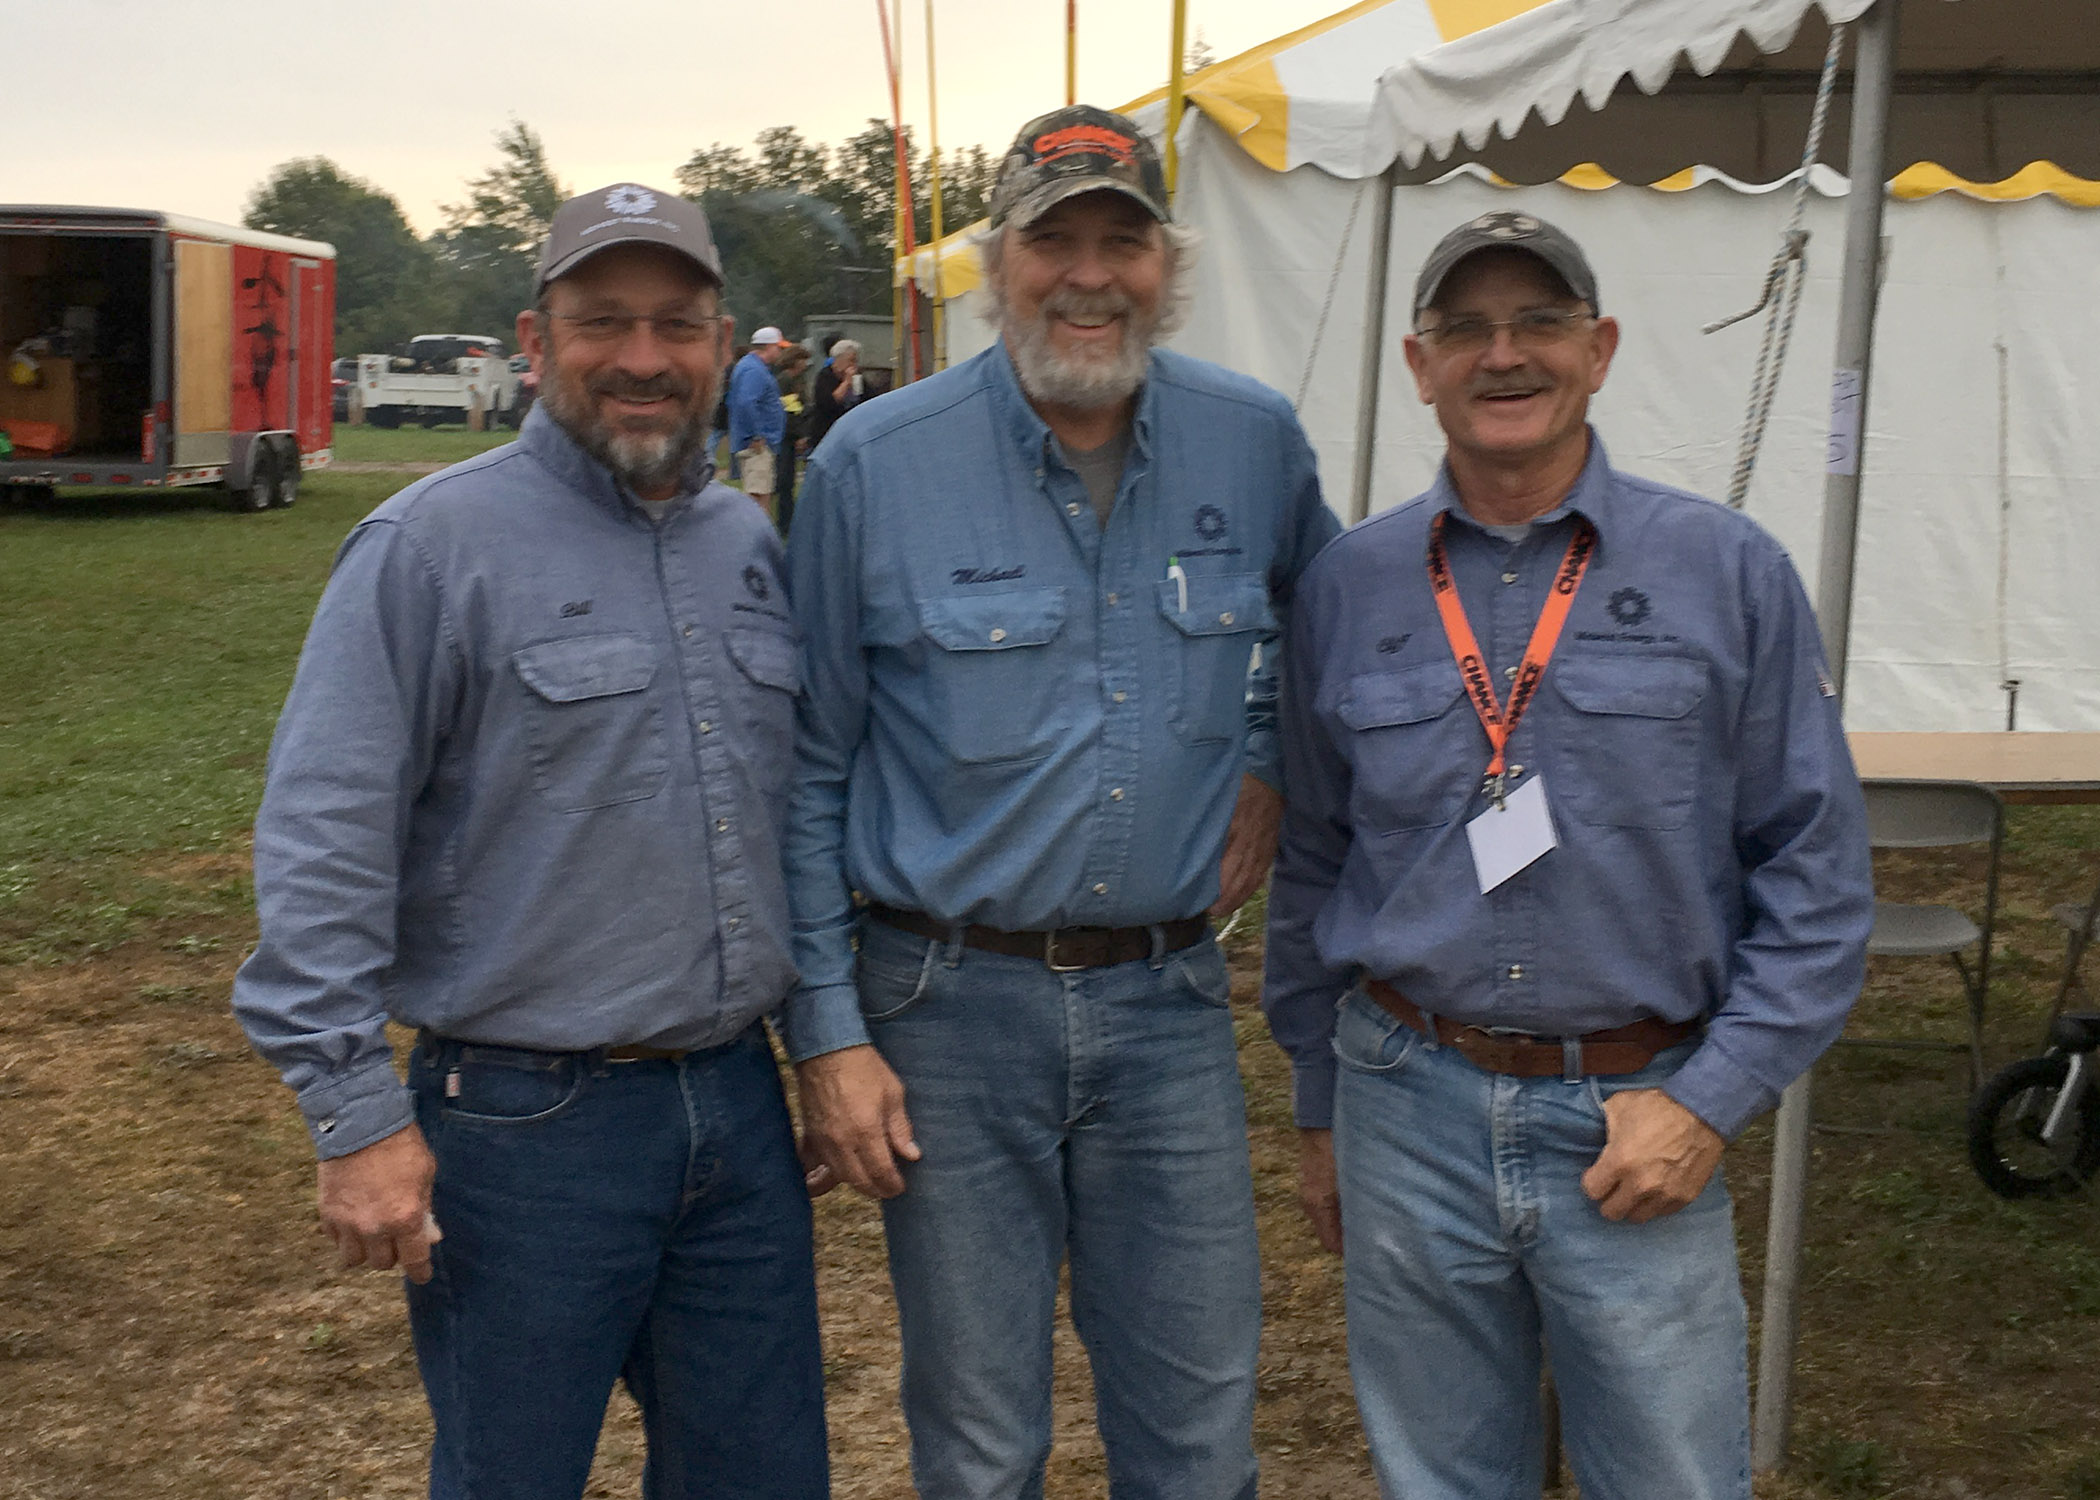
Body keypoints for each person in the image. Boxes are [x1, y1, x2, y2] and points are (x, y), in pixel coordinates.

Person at [1261, 210, 1874, 1500]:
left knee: (1671, 1481)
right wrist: (1321, 1109)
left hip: (1637, 1115)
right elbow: (1313, 862)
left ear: (1598, 350)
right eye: (1465, 329)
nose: (1504, 355)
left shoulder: (1728, 572)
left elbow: (1816, 881)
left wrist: (1710, 1105)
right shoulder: (1350, 586)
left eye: (1539, 322)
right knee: (1439, 1480)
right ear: (1418, 365)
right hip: (1404, 1103)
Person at [231, 183, 827, 1500]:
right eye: (600, 320)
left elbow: (798, 810)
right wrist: (352, 1118)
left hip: (735, 1109)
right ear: (534, 335)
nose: (642, 356)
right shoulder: (431, 546)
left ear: (722, 347)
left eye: (677, 325)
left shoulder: (747, 544)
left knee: (764, 1475)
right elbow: (327, 830)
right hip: (524, 1132)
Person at [783, 104, 1339, 1500]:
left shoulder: (1254, 441)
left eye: (1123, 242)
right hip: (944, 1012)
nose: (1089, 275)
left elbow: (1331, 633)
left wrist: (1264, 750)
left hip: (1167, 1009)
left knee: (1202, 1425)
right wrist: (827, 1035)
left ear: (1170, 266)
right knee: (980, 1442)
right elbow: (804, 767)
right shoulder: (870, 466)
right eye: (1054, 243)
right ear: (991, 264)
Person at [728, 325, 795, 521]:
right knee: (758, 497)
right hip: (756, 446)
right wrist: (756, 435)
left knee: (761, 493)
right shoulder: (754, 370)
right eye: (778, 347)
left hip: (759, 442)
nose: (781, 351)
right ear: (767, 346)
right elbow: (746, 402)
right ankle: (756, 543)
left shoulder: (752, 367)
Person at [774, 342, 813, 536]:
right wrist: (799, 434)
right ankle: (784, 523)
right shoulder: (785, 381)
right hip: (787, 435)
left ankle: (789, 521)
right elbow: (791, 409)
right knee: (784, 481)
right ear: (795, 361)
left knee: (789, 481)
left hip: (793, 433)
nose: (806, 364)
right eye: (803, 360)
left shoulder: (798, 380)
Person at [805, 337, 862, 452]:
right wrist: (846, 382)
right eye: (851, 360)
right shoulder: (825, 377)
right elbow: (828, 402)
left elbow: (867, 399)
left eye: (855, 361)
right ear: (838, 360)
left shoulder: (858, 378)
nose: (854, 365)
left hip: (849, 433)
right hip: (826, 433)